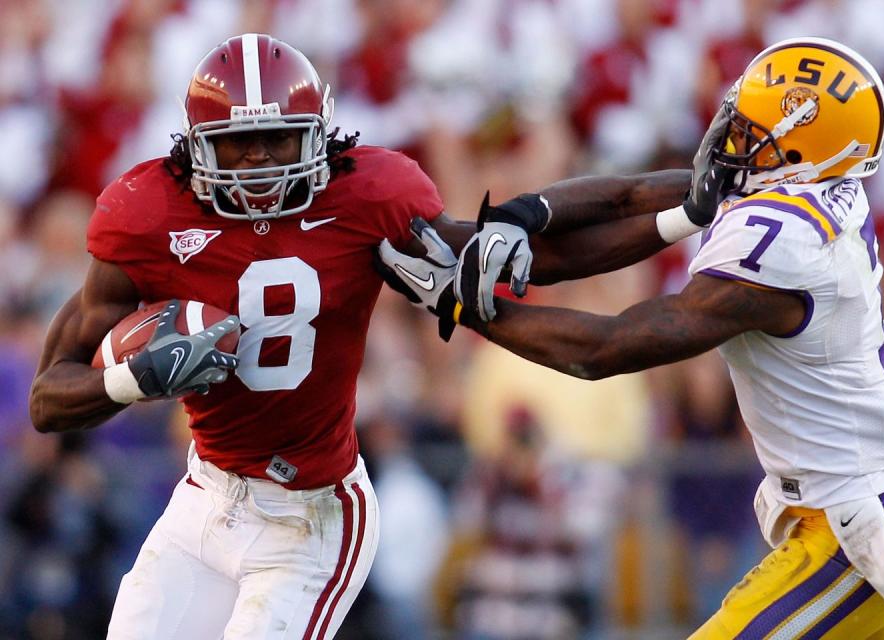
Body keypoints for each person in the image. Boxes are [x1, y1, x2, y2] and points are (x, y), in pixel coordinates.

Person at [27, 33, 709, 640]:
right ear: (195, 148)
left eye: (280, 140)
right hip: (204, 497)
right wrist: (133, 378)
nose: (262, 163)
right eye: (239, 143)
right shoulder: (144, 213)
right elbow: (48, 399)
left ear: (320, 135)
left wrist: (684, 209)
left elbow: (531, 258)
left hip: (313, 518)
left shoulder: (371, 195)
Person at [378, 37, 884, 638]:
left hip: (854, 523)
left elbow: (607, 348)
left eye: (755, 128)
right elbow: (631, 197)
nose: (733, 133)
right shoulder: (808, 184)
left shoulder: (787, 243)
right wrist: (516, 219)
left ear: (801, 148)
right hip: (882, 495)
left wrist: (468, 305)